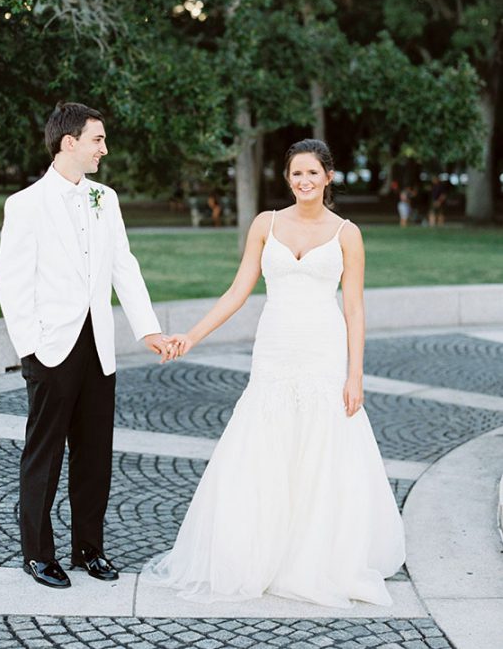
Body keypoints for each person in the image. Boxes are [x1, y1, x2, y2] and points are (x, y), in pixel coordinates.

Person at [142, 138, 405, 607]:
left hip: (323, 350)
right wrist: (191, 335)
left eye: (312, 173)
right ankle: (257, 551)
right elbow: (237, 291)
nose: (303, 181)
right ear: (287, 178)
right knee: (265, 441)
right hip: (275, 347)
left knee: (321, 447)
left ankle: (315, 556)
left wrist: (355, 374)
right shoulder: (266, 224)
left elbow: (355, 308)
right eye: (295, 173)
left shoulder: (347, 233)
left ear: (328, 177)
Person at [0, 102, 169, 590]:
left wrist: (148, 329)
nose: (104, 149)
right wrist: (31, 348)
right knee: (44, 454)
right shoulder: (24, 204)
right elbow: (11, 282)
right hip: (51, 349)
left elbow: (123, 267)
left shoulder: (105, 199)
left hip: (99, 346)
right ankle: (37, 554)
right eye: (98, 139)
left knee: (95, 455)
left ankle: (89, 549)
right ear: (69, 142)